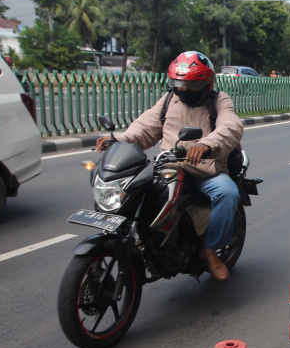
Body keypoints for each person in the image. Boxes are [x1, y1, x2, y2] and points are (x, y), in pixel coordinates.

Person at [96, 51, 244, 282]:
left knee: (228, 193)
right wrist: (119, 140)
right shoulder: (168, 100)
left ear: (208, 82)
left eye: (191, 85)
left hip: (206, 168)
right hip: (169, 166)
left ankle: (209, 250)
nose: (184, 90)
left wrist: (205, 145)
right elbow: (145, 127)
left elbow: (231, 126)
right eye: (179, 85)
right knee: (136, 191)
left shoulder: (219, 100)